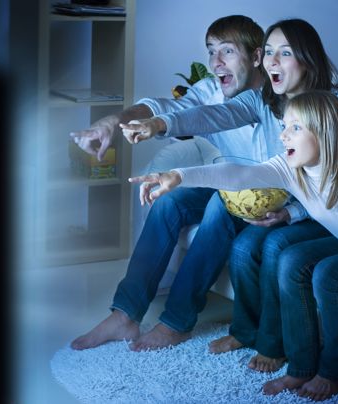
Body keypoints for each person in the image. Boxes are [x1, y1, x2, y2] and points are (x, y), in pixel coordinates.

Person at [119, 17, 338, 371]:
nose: (271, 61)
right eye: (269, 52)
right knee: (235, 235)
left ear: (306, 59)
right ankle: (249, 333)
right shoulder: (265, 106)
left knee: (271, 247)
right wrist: (164, 139)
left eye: (284, 53)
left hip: (333, 216)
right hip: (306, 207)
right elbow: (216, 127)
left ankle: (277, 346)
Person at [129, 90, 338, 401]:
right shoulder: (289, 167)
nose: (283, 135)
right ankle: (300, 366)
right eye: (284, 126)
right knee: (289, 260)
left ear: (325, 130)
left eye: (295, 127)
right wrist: (178, 175)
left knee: (327, 274)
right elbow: (238, 174)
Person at [70, 15, 274, 351]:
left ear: (256, 56)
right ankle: (125, 315)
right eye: (211, 52)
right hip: (227, 185)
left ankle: (177, 322)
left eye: (227, 51)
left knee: (217, 205)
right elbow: (166, 107)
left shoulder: (277, 93)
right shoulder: (213, 89)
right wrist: (114, 121)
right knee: (169, 202)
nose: (215, 62)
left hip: (266, 197)